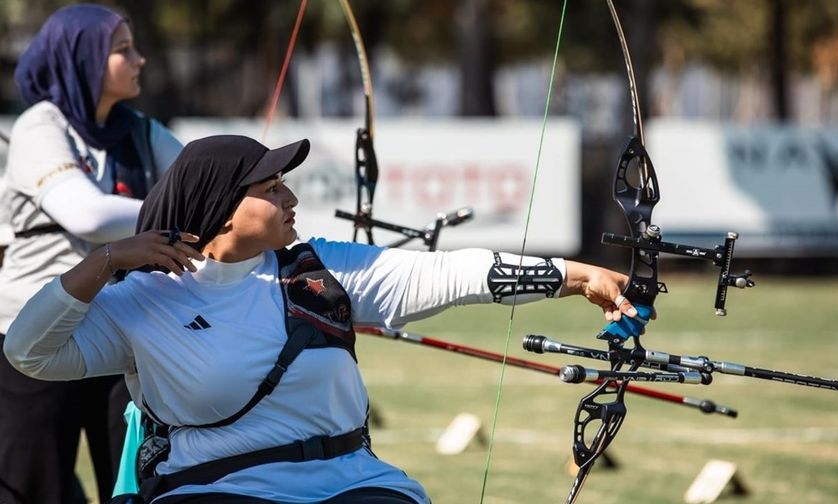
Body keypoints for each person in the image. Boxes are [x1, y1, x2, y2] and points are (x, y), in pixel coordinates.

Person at [4, 134, 643, 504]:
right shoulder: (142, 299)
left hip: (350, 482)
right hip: (213, 491)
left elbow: (442, 274)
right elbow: (29, 352)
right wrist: (107, 261)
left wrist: (575, 275)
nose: (292, 197)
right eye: (272, 187)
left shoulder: (317, 268)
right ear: (224, 209)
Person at [0, 4, 182, 504]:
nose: (139, 59)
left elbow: (200, 180)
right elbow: (87, 215)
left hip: (123, 335)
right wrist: (176, 216)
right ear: (81, 60)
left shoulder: (141, 130)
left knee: (136, 489)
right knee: (38, 488)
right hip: (35, 335)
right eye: (123, 50)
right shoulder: (42, 125)